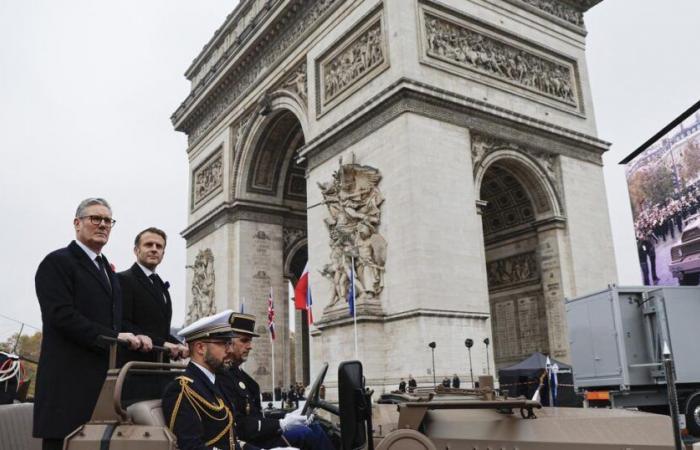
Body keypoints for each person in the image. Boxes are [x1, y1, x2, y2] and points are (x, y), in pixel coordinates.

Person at [33, 198, 150, 450]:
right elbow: (61, 316)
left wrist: (131, 335)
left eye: (108, 220)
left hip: (103, 383)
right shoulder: (57, 262)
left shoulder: (107, 269)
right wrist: (113, 338)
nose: (103, 225)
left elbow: (113, 321)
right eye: (95, 218)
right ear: (77, 223)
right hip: (67, 383)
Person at [162, 310, 296, 450]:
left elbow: (232, 440)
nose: (228, 350)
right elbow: (191, 447)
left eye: (229, 343)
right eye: (222, 343)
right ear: (200, 348)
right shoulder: (182, 389)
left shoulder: (213, 383)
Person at [217, 313, 334, 450]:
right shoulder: (222, 377)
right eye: (244, 340)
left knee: (315, 425)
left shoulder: (243, 378)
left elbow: (258, 415)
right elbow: (241, 425)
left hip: (261, 435)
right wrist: (281, 423)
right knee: (306, 433)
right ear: (228, 344)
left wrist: (290, 415)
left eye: (250, 341)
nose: (250, 346)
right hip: (252, 442)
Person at [118, 227, 188, 401]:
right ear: (136, 250)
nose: (154, 249)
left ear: (163, 253)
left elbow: (161, 331)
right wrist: (164, 343)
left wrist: (179, 345)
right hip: (135, 371)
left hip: (161, 370)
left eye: (159, 246)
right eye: (149, 244)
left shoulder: (161, 287)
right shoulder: (122, 280)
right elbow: (123, 323)